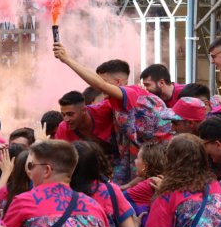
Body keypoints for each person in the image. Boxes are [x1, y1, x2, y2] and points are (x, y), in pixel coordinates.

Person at [53, 44, 171, 183]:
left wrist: (67, 59)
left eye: (104, 81)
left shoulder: (132, 93)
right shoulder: (110, 105)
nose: (99, 87)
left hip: (162, 161)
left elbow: (100, 86)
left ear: (118, 82)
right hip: (134, 166)